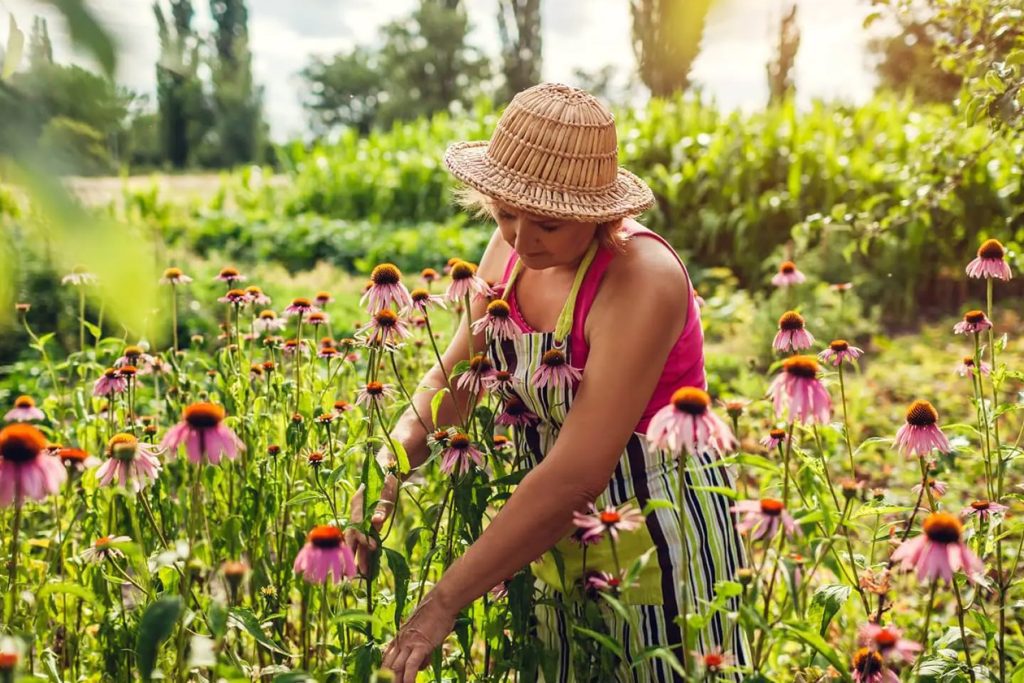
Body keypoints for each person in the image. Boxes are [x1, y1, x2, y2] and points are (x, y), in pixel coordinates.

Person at [358, 82, 748, 682]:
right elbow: (456, 380)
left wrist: (440, 604)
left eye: (546, 223)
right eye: (505, 212)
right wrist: (388, 473)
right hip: (543, 526)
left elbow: (577, 474)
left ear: (601, 215)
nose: (520, 238)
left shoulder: (641, 278)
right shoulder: (514, 247)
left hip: (655, 524)